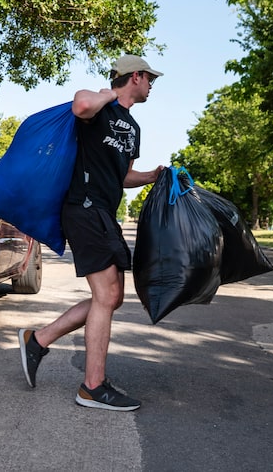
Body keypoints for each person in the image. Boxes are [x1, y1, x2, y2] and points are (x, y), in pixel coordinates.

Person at [18, 55, 164, 411]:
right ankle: (92, 386)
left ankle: (38, 340)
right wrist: (108, 95)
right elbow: (81, 105)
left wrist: (151, 176)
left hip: (104, 212)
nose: (152, 86)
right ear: (136, 77)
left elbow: (122, 176)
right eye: (150, 80)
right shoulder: (99, 105)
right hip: (82, 208)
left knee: (111, 297)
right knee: (106, 293)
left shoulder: (133, 128)